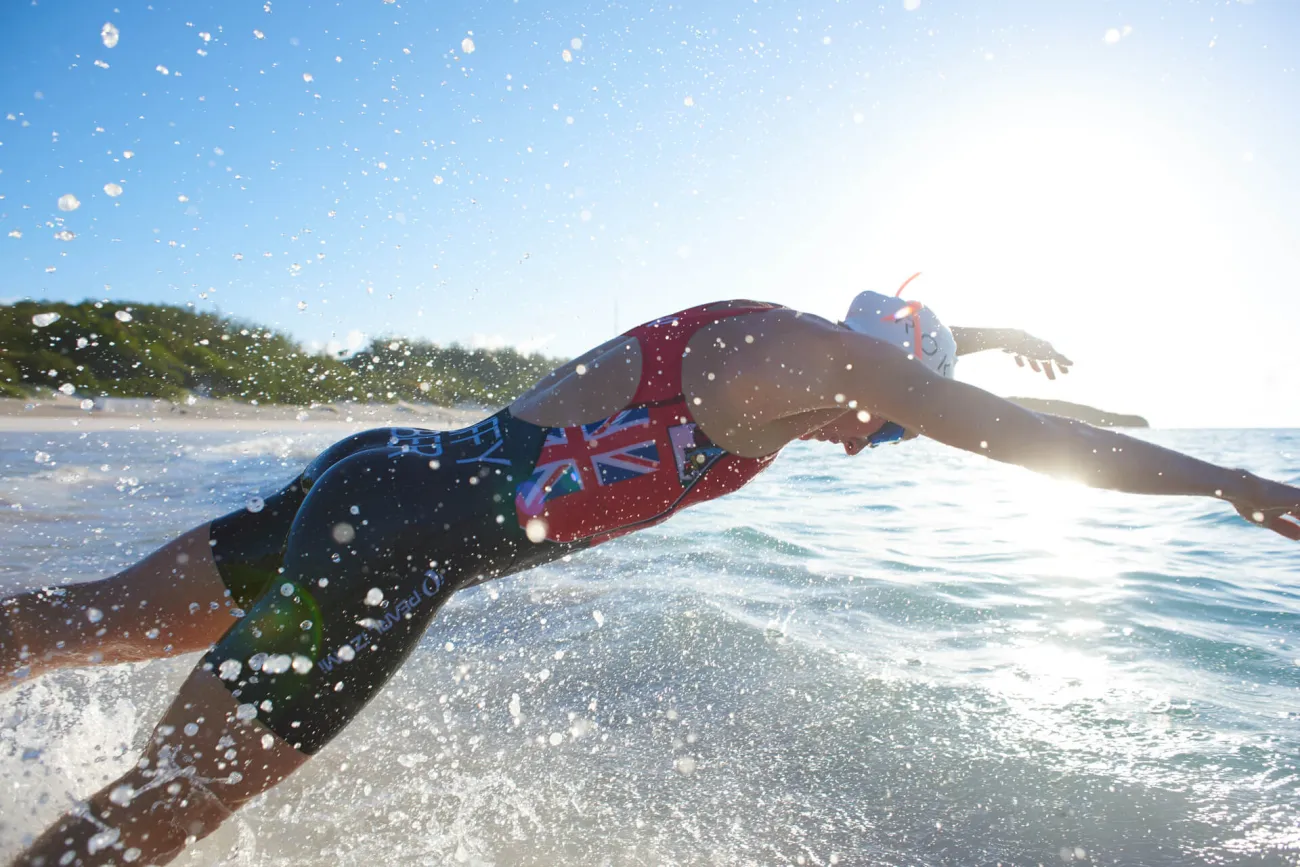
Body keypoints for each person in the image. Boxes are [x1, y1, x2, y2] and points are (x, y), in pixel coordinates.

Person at [3, 281, 1297, 866]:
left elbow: (930, 350)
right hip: (390, 544)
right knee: (154, 817)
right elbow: (1020, 441)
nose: (872, 440)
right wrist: (1227, 480)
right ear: (884, 370)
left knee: (82, 624)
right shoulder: (809, 362)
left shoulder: (779, 355)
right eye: (893, 417)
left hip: (375, 481)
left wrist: (995, 330)